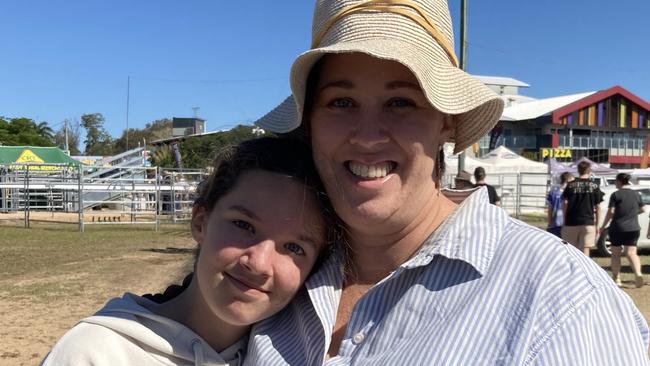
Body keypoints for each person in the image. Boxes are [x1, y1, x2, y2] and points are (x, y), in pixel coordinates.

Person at [251, 0, 649, 364]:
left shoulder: (558, 296)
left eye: (401, 102)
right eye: (341, 102)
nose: (368, 135)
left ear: (446, 120)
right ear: (311, 122)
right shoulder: (273, 270)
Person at [41, 137, 339, 366]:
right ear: (200, 222)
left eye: (294, 247)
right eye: (243, 225)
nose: (259, 263)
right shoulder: (97, 353)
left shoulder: (294, 356)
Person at [599, 173, 645, 288]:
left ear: (619, 181)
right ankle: (638, 273)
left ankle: (617, 278)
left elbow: (611, 212)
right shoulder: (636, 194)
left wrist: (603, 226)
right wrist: (633, 213)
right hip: (633, 228)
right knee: (631, 253)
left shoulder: (616, 195)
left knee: (616, 254)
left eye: (615, 181)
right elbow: (643, 209)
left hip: (618, 228)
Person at [562, 161, 604, 257]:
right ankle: (584, 270)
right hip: (588, 222)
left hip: (571, 222)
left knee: (571, 249)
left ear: (578, 170)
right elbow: (598, 207)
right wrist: (597, 225)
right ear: (590, 171)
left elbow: (565, 203)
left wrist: (564, 221)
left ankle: (572, 270)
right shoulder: (594, 186)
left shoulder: (570, 185)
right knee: (585, 249)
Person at [546, 172, 575, 238]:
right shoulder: (569, 193)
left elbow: (550, 210)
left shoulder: (553, 192)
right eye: (573, 182)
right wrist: (550, 223)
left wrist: (550, 223)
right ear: (568, 181)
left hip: (561, 225)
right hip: (559, 225)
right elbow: (550, 209)